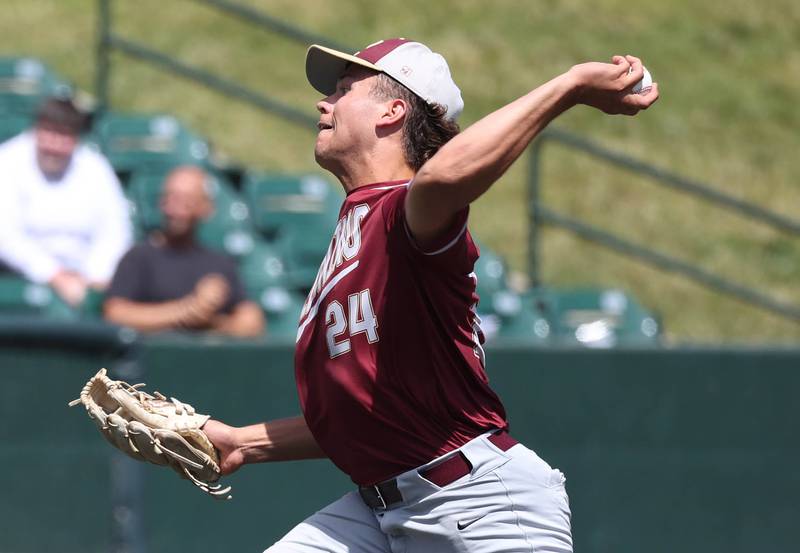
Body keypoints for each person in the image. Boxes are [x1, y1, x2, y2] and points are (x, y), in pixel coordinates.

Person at [203, 38, 659, 552]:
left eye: (344, 89)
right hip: (382, 508)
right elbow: (367, 413)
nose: (323, 103)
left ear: (393, 110)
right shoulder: (355, 228)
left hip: (480, 505)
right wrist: (245, 443)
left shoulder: (408, 214)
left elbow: (443, 177)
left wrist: (569, 86)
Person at [103, 165, 265, 337]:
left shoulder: (219, 264)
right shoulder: (139, 257)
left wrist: (212, 322)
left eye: (186, 201)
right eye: (169, 198)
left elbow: (252, 322)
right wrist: (188, 310)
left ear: (205, 208)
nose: (175, 209)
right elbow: (115, 314)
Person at [0, 96, 132, 306]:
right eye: (48, 133)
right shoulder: (7, 161)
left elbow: (115, 230)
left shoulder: (95, 167)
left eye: (64, 136)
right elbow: (6, 236)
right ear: (35, 130)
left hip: (87, 281)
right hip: (19, 281)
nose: (54, 145)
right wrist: (55, 275)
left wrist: (94, 277)